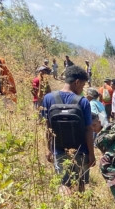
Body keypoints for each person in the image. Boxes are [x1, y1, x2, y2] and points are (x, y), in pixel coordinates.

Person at [41, 65, 95, 195]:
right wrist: (91, 154)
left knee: (63, 183)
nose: (82, 89)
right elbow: (88, 130)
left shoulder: (48, 98)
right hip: (80, 150)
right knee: (80, 183)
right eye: (82, 85)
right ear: (77, 82)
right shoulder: (83, 102)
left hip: (58, 149)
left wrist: (49, 149)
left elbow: (47, 127)